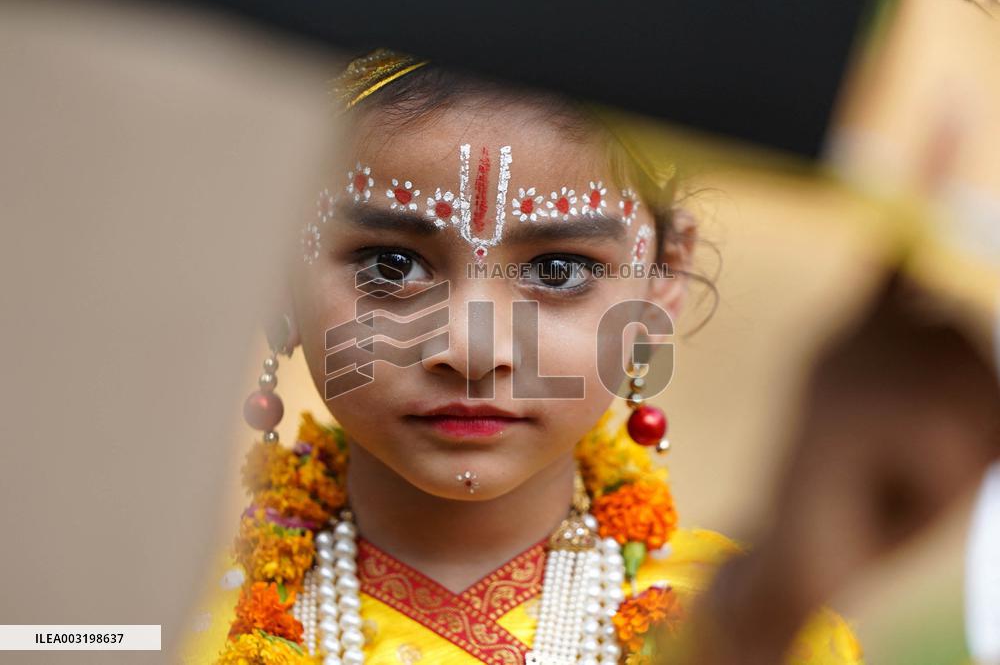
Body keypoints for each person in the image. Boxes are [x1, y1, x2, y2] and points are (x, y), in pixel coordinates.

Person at [181, 49, 862, 665]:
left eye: (559, 271)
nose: (472, 350)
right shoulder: (162, 622)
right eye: (392, 265)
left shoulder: (758, 634)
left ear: (663, 276)